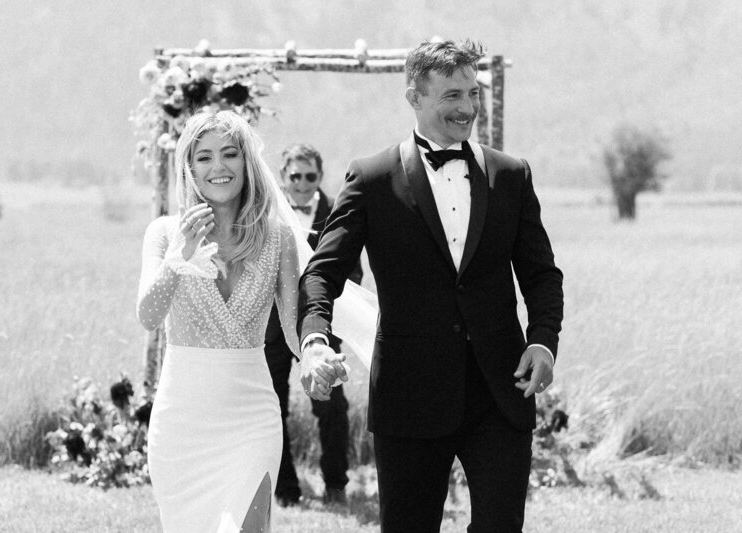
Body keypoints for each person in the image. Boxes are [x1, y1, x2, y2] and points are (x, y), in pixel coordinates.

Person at [298, 39, 564, 532]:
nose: (467, 109)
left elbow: (542, 274)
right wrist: (314, 339)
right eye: (451, 96)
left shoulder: (511, 175)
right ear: (414, 97)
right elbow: (323, 271)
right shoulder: (372, 178)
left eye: (472, 94)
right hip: (409, 394)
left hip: (499, 392)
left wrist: (543, 340)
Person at [136, 110, 305, 532]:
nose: (219, 167)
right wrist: (179, 258)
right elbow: (148, 315)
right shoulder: (163, 232)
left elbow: (293, 326)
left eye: (230, 154)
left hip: (251, 417)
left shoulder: (278, 238)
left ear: (247, 163)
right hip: (183, 422)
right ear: (189, 168)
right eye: (204, 157)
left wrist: (317, 357)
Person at [264, 144, 362, 506]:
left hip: (320, 328)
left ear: (320, 177)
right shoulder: (266, 212)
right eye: (295, 176)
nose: (303, 184)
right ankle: (286, 489)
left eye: (310, 176)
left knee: (333, 407)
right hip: (273, 327)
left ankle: (336, 483)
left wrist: (325, 320)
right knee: (273, 406)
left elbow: (353, 270)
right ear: (283, 175)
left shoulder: (338, 210)